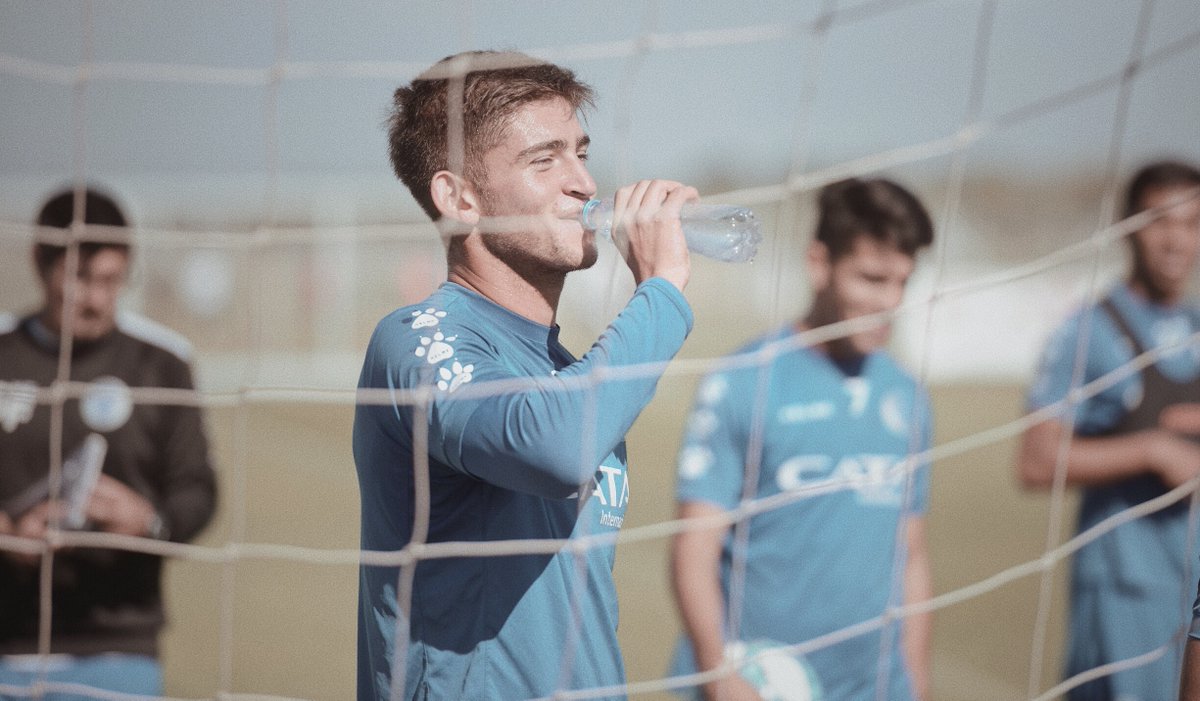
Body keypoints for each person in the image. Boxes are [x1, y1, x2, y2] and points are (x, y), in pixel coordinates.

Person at [354, 50, 696, 701]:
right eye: (545, 160)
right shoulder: (417, 339)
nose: (584, 184)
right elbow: (555, 447)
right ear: (459, 197)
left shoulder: (569, 371)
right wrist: (660, 292)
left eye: (582, 153)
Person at [669, 178, 935, 701]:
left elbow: (912, 554)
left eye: (903, 281)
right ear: (819, 264)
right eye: (872, 278)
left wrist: (916, 683)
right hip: (760, 682)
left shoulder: (906, 395)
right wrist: (718, 672)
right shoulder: (744, 381)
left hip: (873, 688)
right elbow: (694, 548)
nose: (891, 301)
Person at [0, 188, 218, 698]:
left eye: (110, 281)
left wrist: (148, 521)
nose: (96, 298)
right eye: (80, 278)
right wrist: (8, 534)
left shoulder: (162, 363)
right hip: (5, 643)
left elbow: (197, 489)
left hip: (119, 647)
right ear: (40, 262)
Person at [1017, 161, 1200, 700]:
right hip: (1126, 590)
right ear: (1128, 227)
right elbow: (1035, 460)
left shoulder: (1195, 327)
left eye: (1192, 224)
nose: (1176, 240)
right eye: (1160, 221)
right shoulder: (1088, 331)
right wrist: (1149, 450)